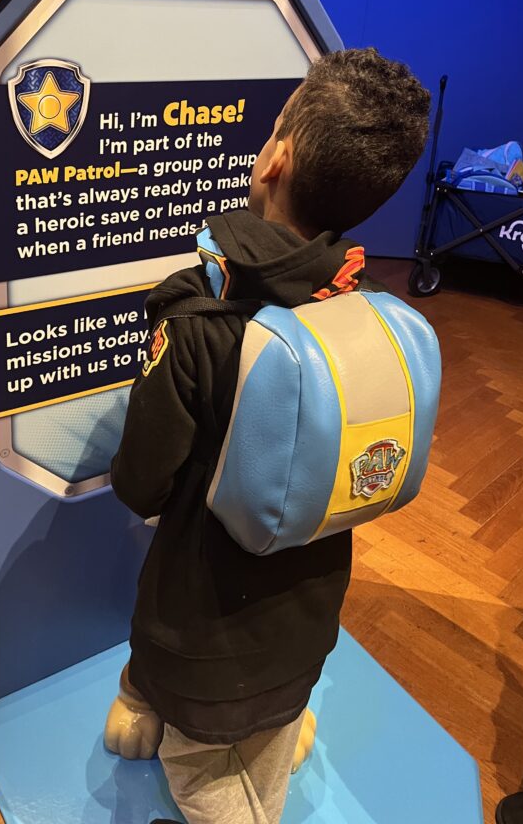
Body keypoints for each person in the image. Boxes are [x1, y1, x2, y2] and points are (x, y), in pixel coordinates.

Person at [108, 48, 431, 824]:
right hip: (310, 607)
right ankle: (258, 725)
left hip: (198, 618)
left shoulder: (197, 319)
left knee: (197, 770)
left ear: (274, 158)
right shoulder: (366, 310)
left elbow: (141, 480)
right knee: (272, 719)